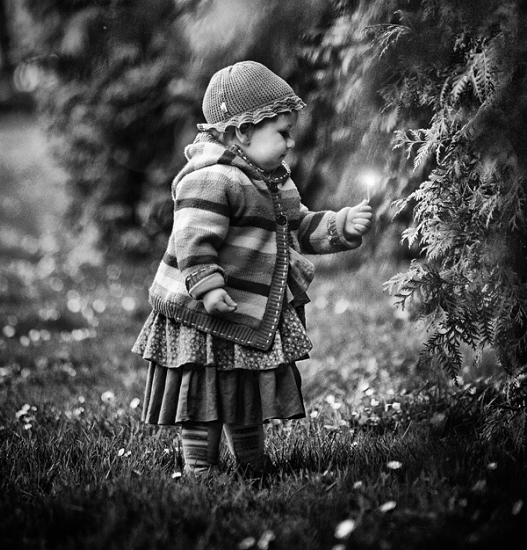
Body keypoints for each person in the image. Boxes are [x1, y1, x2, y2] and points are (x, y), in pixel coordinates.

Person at [132, 60, 373, 475]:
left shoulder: (272, 179)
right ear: (243, 131)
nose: (290, 143)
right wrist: (207, 286)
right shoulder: (212, 178)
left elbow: (296, 227)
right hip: (202, 314)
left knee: (243, 389)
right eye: (282, 133)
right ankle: (200, 465)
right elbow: (193, 239)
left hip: (243, 307)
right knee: (204, 390)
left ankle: (251, 461)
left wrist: (340, 224)